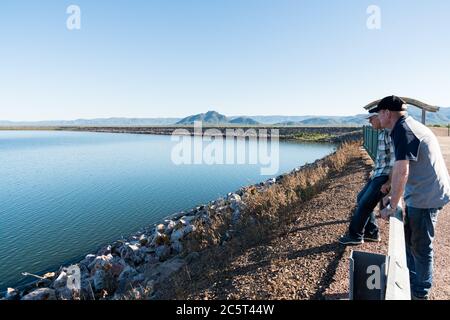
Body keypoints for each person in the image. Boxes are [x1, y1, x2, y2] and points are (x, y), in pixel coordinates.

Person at [374, 95, 450, 300]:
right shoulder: (405, 125)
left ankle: (420, 293)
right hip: (425, 191)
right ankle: (412, 282)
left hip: (427, 195)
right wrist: (393, 194)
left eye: (378, 114)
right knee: (412, 240)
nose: (377, 118)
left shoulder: (402, 130)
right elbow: (400, 169)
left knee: (421, 246)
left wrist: (392, 204)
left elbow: (402, 169)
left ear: (386, 113)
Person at [339, 111, 394, 245]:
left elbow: (396, 160)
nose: (369, 121)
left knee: (365, 204)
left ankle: (355, 236)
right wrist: (374, 171)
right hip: (378, 174)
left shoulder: (390, 133)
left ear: (380, 117)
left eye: (371, 118)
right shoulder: (383, 133)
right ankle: (372, 233)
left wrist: (389, 181)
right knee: (361, 199)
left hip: (384, 177)